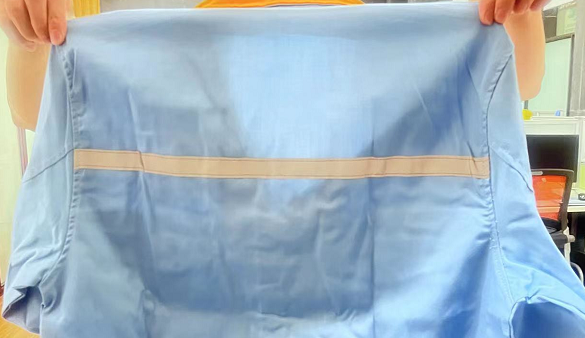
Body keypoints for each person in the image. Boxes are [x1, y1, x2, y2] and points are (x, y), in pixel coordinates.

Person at [1, 0, 547, 131]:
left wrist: (518, 13)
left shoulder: (382, 35)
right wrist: (31, 35)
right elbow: (35, 111)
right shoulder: (184, 38)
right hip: (209, 334)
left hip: (354, 326)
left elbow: (519, 81)